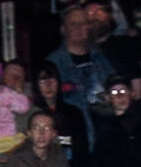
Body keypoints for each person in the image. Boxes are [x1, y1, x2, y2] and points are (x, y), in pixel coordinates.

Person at [45, 3, 114, 137]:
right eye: (73, 24)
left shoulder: (102, 58)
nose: (79, 28)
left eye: (83, 23)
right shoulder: (52, 64)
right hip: (72, 137)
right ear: (63, 29)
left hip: (107, 136)